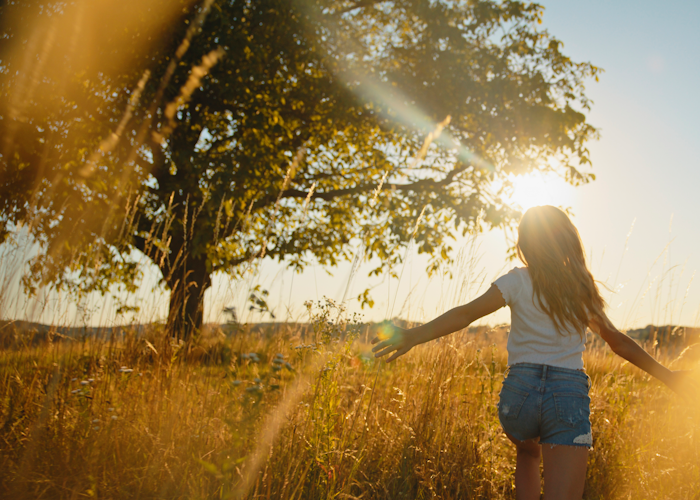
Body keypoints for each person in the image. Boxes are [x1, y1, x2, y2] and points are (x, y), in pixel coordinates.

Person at [371, 205, 693, 500]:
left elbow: (465, 314)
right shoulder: (579, 289)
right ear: (568, 241)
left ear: (524, 244)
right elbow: (617, 342)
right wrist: (669, 376)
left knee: (527, 453)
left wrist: (413, 335)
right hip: (566, 397)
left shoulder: (516, 280)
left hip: (519, 398)